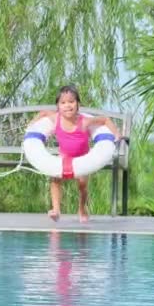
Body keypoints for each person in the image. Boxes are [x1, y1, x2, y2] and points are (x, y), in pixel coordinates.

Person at [32, 85, 121, 222]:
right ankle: (56, 209)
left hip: (83, 158)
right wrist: (31, 124)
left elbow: (105, 120)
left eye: (71, 101)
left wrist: (116, 134)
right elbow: (43, 112)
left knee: (82, 185)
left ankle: (82, 208)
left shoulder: (84, 122)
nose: (67, 105)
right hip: (64, 156)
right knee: (55, 179)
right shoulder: (56, 119)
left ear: (78, 104)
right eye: (63, 102)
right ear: (58, 106)